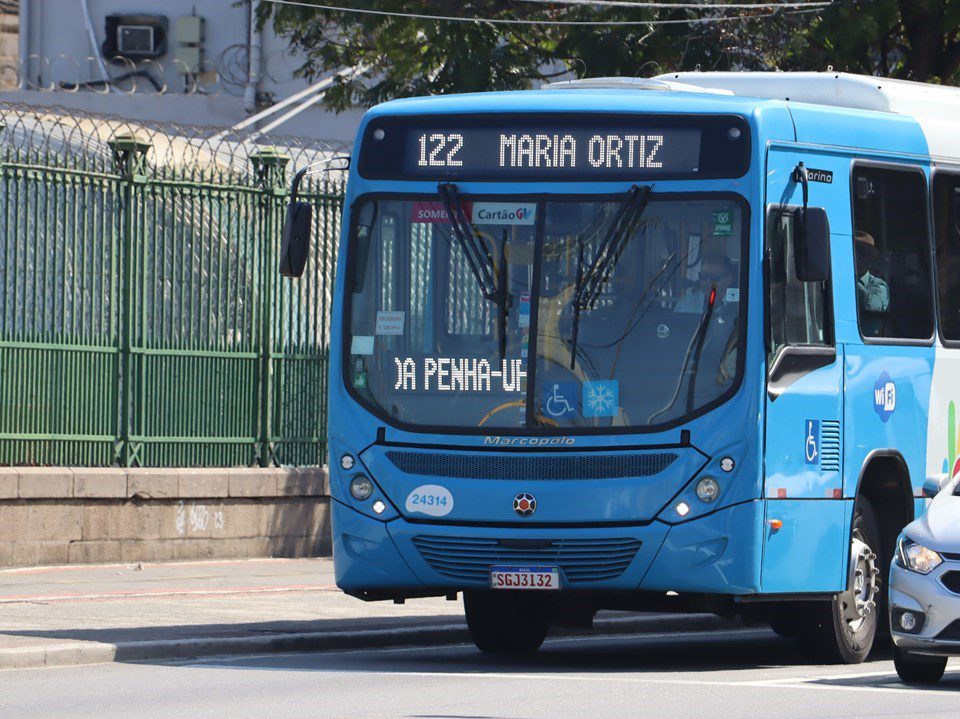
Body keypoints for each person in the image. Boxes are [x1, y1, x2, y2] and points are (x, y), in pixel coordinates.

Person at [854, 230, 890, 335]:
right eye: (855, 252)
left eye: (863, 253)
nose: (857, 257)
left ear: (870, 258)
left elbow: (873, 305)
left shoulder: (880, 285)